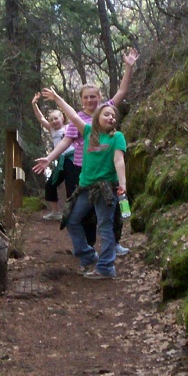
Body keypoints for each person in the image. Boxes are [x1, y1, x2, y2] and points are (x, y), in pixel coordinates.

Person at [33, 48, 139, 254]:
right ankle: (89, 246)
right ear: (81, 100)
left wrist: (128, 67)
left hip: (106, 170)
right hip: (82, 169)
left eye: (93, 97)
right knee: (84, 211)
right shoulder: (78, 121)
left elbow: (122, 92)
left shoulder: (106, 111)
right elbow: (65, 142)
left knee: (113, 209)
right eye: (86, 97)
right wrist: (49, 158)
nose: (90, 100)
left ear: (99, 97)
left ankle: (113, 244)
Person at [41, 87, 127, 279]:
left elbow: (119, 161)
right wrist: (57, 99)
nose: (111, 118)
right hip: (86, 187)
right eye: (106, 115)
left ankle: (106, 267)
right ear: (98, 118)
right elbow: (71, 114)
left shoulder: (117, 137)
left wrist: (123, 184)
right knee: (71, 219)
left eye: (113, 116)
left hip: (106, 188)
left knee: (105, 226)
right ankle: (88, 255)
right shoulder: (88, 131)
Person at [31, 92, 74, 220]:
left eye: (56, 118)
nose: (54, 121)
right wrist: (34, 104)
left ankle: (73, 213)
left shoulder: (69, 128)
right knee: (50, 184)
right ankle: (56, 212)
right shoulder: (52, 130)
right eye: (51, 119)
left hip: (72, 159)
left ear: (62, 118)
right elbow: (40, 118)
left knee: (71, 186)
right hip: (60, 161)